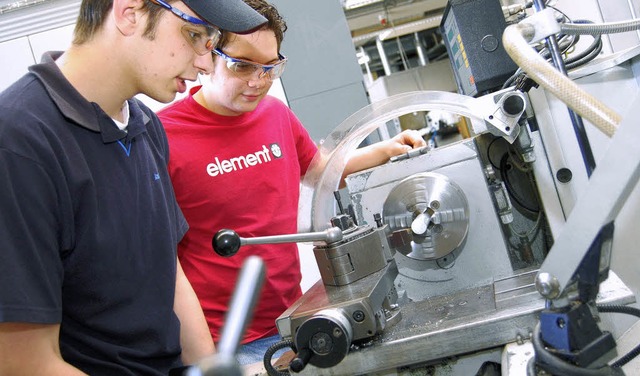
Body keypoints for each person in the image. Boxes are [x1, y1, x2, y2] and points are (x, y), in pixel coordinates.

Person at [0, 0, 267, 375]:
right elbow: (22, 362)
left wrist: (210, 368)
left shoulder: (143, 126)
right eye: (195, 35)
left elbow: (168, 271)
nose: (205, 64)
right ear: (130, 13)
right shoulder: (18, 142)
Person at [157, 0, 426, 365]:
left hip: (293, 321)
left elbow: (321, 169)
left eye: (270, 68)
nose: (257, 82)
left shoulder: (275, 115)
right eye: (242, 66)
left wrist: (384, 149)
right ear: (208, 55)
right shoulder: (163, 137)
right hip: (224, 341)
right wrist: (204, 359)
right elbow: (157, 257)